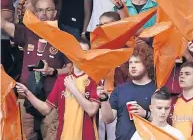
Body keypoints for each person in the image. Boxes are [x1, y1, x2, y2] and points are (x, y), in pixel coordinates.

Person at [1, 0, 73, 140]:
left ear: (55, 13)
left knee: (51, 137)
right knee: (25, 136)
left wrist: (52, 71)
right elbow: (3, 23)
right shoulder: (27, 32)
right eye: (39, 10)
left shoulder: (64, 37)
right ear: (34, 13)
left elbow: (71, 69)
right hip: (26, 97)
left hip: (52, 100)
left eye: (48, 10)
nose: (44, 14)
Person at [15, 36, 100, 140]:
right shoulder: (62, 79)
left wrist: (73, 88)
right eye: (77, 51)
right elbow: (46, 109)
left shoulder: (94, 79)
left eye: (85, 52)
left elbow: (91, 110)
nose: (80, 55)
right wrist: (27, 92)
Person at [98, 44, 157, 140]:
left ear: (147, 64)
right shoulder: (119, 89)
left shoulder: (156, 90)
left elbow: (163, 121)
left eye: (137, 62)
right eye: (130, 63)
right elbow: (108, 119)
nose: (133, 66)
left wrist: (145, 114)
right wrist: (104, 100)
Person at [97, 11, 130, 140]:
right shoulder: (95, 46)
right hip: (98, 96)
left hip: (116, 98)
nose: (101, 28)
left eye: (105, 24)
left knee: (113, 136)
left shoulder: (125, 49)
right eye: (99, 24)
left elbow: (128, 76)